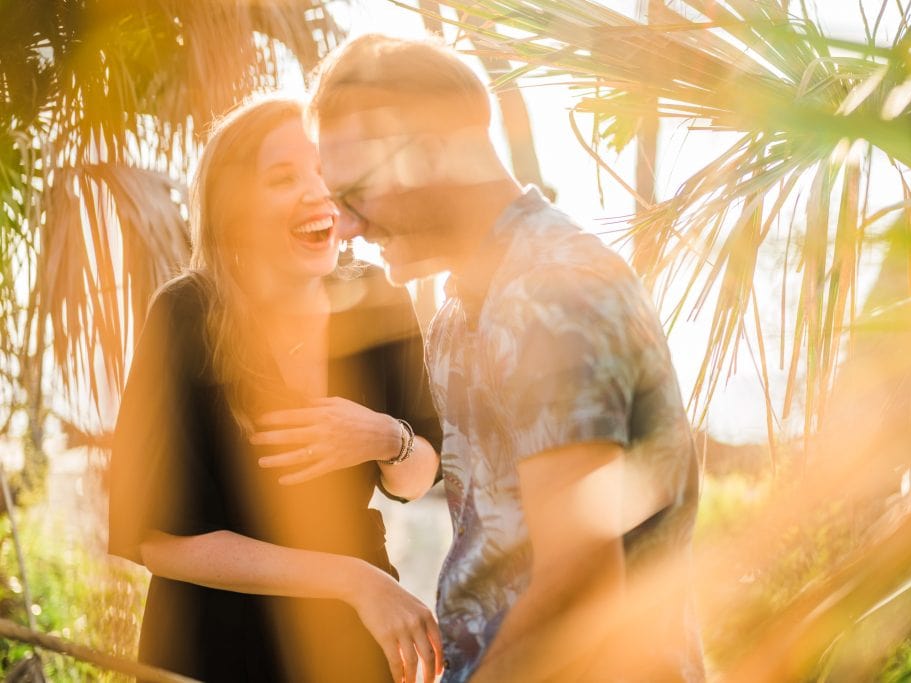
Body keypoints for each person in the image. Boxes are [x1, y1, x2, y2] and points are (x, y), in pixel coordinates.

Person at [293, 34, 707, 682]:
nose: (344, 226)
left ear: (430, 154)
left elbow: (578, 587)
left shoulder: (555, 291)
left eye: (355, 194)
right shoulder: (460, 317)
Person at [107, 95, 445, 683]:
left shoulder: (381, 300)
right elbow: (155, 539)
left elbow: (418, 480)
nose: (317, 192)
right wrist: (353, 579)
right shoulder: (184, 315)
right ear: (233, 207)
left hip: (350, 640)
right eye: (284, 177)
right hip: (211, 643)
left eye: (323, 170)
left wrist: (384, 437)